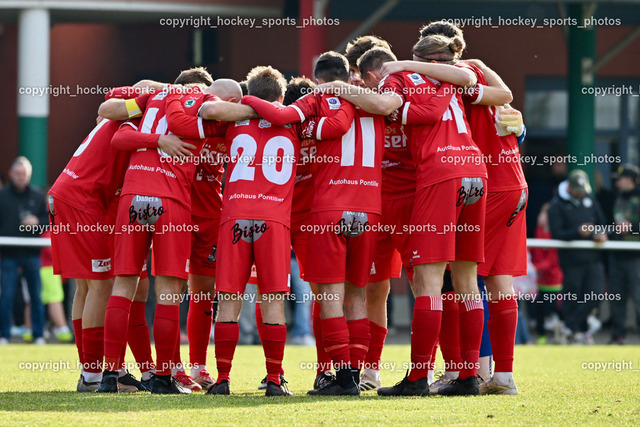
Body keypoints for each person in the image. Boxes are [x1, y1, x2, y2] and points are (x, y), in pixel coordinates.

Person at [548, 169, 607, 345]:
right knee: (572, 296)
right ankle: (574, 330)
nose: (581, 194)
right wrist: (577, 232)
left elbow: (601, 223)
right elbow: (557, 233)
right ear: (569, 188)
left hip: (593, 258)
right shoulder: (557, 205)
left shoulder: (590, 199)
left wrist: (599, 234)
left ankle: (568, 326)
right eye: (577, 190)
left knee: (595, 295)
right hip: (571, 261)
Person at [0, 157, 48, 346]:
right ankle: (4, 335)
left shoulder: (38, 196)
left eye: (24, 174)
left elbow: (48, 221)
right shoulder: (2, 196)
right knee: (6, 296)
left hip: (31, 253)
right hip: (8, 254)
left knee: (36, 296)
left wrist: (37, 222)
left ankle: (38, 335)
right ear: (11, 174)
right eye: (18, 173)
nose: (21, 177)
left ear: (29, 175)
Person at [609, 164, 640, 344]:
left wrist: (632, 228)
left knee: (638, 297)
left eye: (620, 180)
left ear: (630, 180)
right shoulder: (619, 198)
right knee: (616, 297)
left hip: (636, 256)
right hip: (618, 255)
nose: (617, 183)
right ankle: (618, 335)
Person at [530, 203, 563, 344]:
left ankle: (563, 333)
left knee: (556, 309)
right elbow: (533, 251)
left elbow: (551, 261)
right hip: (540, 281)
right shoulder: (538, 231)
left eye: (543, 214)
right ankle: (541, 336)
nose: (540, 217)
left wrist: (533, 267)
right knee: (539, 310)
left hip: (554, 281)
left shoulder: (553, 234)